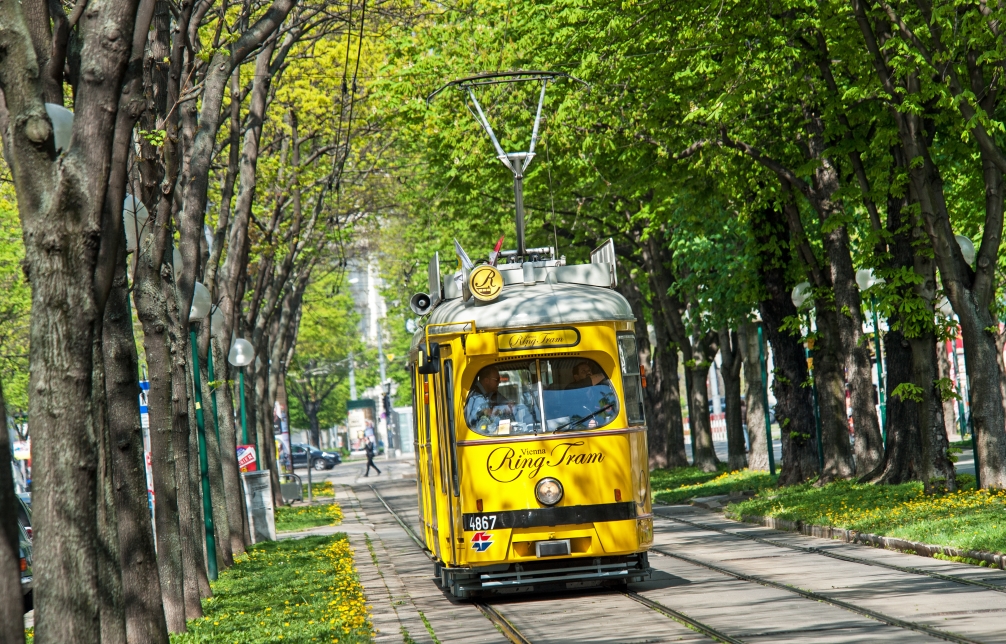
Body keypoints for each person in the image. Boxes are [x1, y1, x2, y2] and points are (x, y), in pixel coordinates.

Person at [464, 365, 514, 432]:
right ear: (486, 381)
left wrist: (507, 405)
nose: (499, 382)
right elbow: (482, 425)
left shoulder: (490, 392)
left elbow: (504, 402)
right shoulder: (477, 398)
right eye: (497, 379)